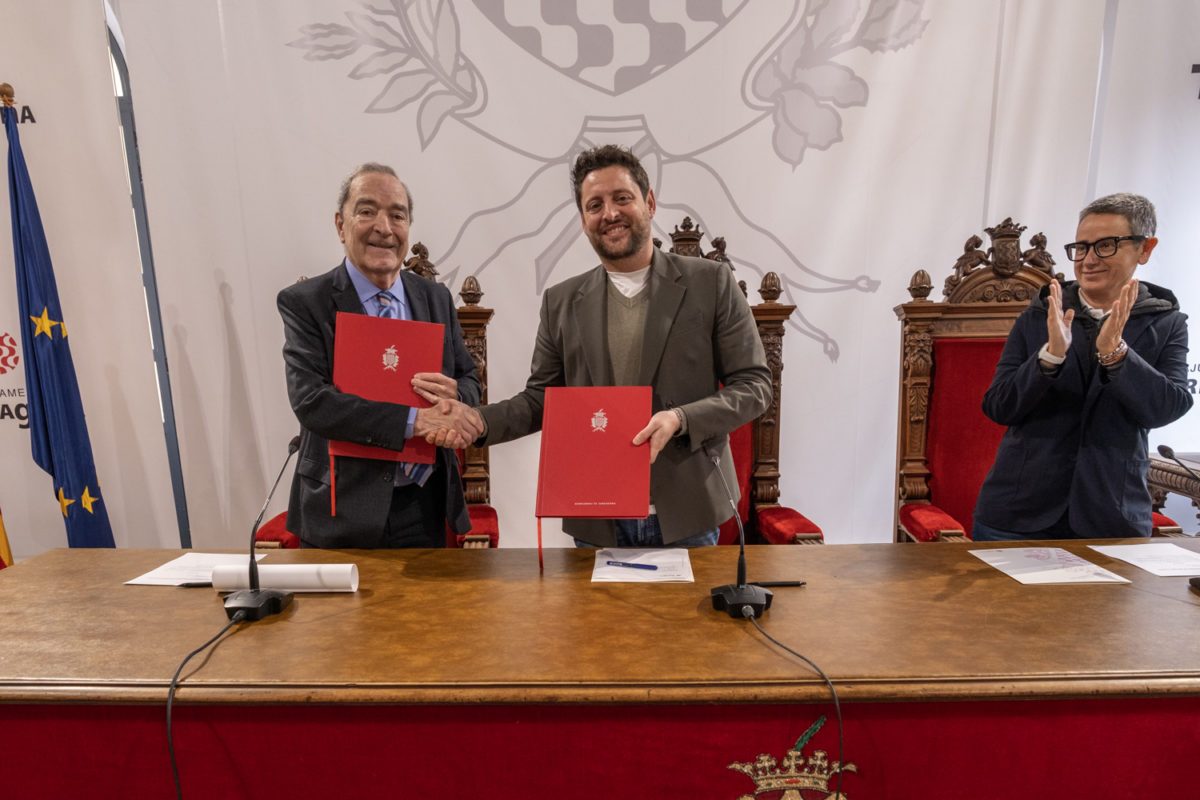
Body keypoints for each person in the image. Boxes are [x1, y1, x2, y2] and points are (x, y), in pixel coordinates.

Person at [457, 144, 772, 548]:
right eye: (595, 205)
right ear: (584, 220)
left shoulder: (711, 283)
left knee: (680, 617)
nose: (610, 213)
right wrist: (477, 422)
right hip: (596, 514)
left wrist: (681, 418)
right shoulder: (561, 302)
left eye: (622, 198)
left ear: (650, 202)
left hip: (688, 514)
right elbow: (541, 401)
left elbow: (755, 386)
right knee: (596, 617)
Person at [277, 163, 483, 548]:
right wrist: (414, 421)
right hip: (341, 508)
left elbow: (470, 380)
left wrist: (456, 398)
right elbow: (312, 402)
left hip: (425, 505)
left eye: (397, 215)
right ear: (341, 224)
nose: (384, 228)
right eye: (367, 211)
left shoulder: (434, 297)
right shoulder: (307, 303)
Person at [973, 193, 1192, 540]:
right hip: (1018, 514)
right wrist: (1049, 357)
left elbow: (1166, 408)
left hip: (1113, 516)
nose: (1089, 260)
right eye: (1081, 247)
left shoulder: (1166, 322)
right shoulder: (1041, 313)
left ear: (1145, 249)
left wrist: (1117, 354)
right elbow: (999, 406)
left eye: (1106, 245)